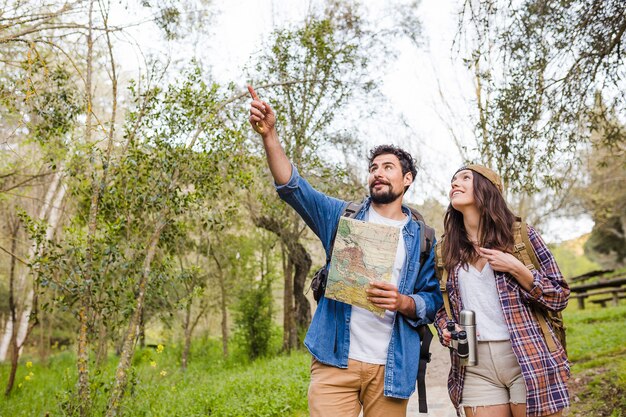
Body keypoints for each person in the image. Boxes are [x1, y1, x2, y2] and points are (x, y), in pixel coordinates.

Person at [247, 85, 443, 417]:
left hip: (391, 370)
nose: (378, 173)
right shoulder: (341, 218)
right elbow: (294, 188)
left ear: (407, 179)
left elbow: (432, 300)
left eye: (388, 167)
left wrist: (403, 302)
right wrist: (269, 135)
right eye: (374, 168)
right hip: (335, 362)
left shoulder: (422, 236)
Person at [434, 165, 570, 417]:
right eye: (453, 179)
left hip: (527, 354)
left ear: (488, 189)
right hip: (474, 365)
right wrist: (446, 327)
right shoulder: (445, 249)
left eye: (465, 178)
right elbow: (442, 306)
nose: (455, 183)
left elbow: (559, 295)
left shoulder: (519, 236)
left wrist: (518, 269)